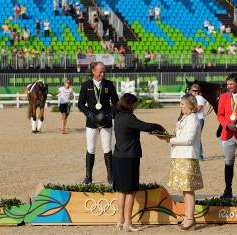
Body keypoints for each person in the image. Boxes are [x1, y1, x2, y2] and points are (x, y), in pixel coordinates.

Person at [113, 93, 165, 232]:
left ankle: (120, 221)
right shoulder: (129, 118)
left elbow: (138, 127)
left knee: (122, 191)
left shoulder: (118, 116)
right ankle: (128, 223)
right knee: (130, 191)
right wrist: (158, 126)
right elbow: (145, 126)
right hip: (129, 157)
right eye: (135, 104)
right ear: (130, 104)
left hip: (118, 156)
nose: (136, 106)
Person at [158, 94, 203, 230]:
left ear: (190, 105)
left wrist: (169, 140)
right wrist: (168, 135)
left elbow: (188, 139)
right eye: (180, 104)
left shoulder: (193, 119)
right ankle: (189, 217)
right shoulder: (184, 118)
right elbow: (180, 135)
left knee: (188, 189)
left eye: (183, 104)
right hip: (179, 156)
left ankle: (190, 218)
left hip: (187, 157)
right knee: (184, 189)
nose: (181, 106)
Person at [78, 62, 119, 184]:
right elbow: (80, 103)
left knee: (107, 148)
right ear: (93, 72)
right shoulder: (86, 85)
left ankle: (110, 177)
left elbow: (116, 102)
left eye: (104, 71)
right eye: (100, 71)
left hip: (106, 122)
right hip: (91, 122)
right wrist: (88, 113)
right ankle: (88, 177)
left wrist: (111, 114)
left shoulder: (109, 84)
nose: (102, 74)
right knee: (90, 148)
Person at [189, 84, 207, 160]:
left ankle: (199, 155)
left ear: (198, 91)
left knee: (197, 137)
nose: (194, 92)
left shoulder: (200, 98)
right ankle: (195, 154)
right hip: (191, 119)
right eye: (193, 90)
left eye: (196, 90)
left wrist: (188, 110)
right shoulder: (190, 98)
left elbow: (198, 108)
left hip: (199, 119)